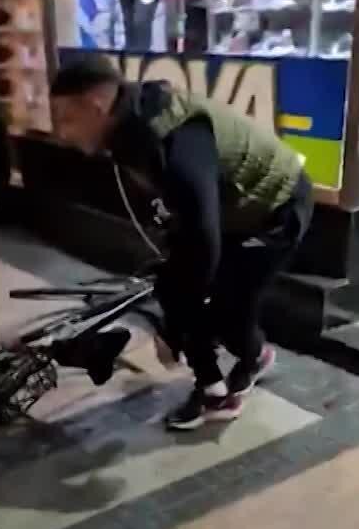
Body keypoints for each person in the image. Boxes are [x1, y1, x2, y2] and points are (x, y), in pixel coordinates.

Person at [48, 54, 313, 429]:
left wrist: (174, 327)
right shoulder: (128, 131)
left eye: (67, 120)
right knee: (177, 292)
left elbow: (204, 243)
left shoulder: (172, 140)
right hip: (231, 209)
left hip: (277, 206)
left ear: (96, 107)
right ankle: (213, 385)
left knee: (225, 307)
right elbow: (177, 212)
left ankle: (252, 358)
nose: (61, 133)